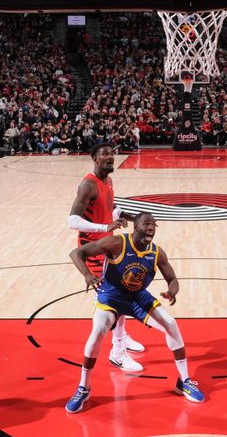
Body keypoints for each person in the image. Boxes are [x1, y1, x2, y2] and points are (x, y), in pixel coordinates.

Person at [65, 212, 205, 413]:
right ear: (136, 227)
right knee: (96, 334)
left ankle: (184, 381)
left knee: (171, 324)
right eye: (146, 224)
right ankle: (83, 387)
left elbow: (172, 279)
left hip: (137, 297)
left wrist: (172, 291)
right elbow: (76, 253)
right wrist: (87, 275)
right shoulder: (117, 243)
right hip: (111, 297)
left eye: (153, 225)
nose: (151, 227)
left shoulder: (157, 252)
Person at [69, 143, 146, 373]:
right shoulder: (88, 185)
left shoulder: (108, 181)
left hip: (108, 247)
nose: (110, 156)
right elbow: (72, 221)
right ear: (94, 157)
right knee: (114, 301)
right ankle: (117, 352)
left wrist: (135, 219)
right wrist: (106, 226)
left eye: (112, 153)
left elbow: (111, 210)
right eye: (105, 153)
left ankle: (120, 339)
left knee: (124, 293)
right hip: (92, 250)